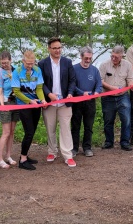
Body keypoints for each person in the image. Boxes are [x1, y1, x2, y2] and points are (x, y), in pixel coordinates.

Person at [38, 37, 77, 167]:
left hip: (65, 102)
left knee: (66, 128)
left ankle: (67, 155)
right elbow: (40, 83)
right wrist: (49, 94)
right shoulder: (42, 64)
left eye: (59, 47)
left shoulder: (67, 62)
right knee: (50, 128)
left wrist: (70, 93)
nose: (57, 50)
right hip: (49, 102)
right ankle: (52, 151)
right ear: (49, 49)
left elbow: (72, 80)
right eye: (54, 48)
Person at [11, 50, 47, 170]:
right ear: (23, 61)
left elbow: (39, 88)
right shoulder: (17, 71)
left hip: (35, 104)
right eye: (28, 64)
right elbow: (16, 92)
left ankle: (25, 155)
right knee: (29, 132)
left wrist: (42, 100)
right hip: (24, 105)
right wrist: (29, 101)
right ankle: (22, 159)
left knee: (32, 131)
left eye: (32, 63)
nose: (30, 66)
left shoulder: (37, 70)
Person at [99, 46, 133, 151]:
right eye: (112, 56)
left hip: (123, 96)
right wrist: (112, 88)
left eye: (116, 57)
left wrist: (131, 85)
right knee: (108, 120)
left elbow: (130, 79)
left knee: (126, 119)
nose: (113, 59)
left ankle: (125, 142)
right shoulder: (104, 65)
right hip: (107, 96)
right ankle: (108, 142)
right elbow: (100, 81)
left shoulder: (127, 65)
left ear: (121, 56)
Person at [71, 46, 102, 157]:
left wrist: (97, 92)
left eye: (90, 58)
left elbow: (99, 84)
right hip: (77, 101)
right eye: (86, 58)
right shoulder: (74, 69)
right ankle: (74, 148)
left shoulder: (94, 70)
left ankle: (87, 147)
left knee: (88, 125)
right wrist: (81, 93)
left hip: (90, 102)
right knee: (75, 125)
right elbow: (72, 85)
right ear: (81, 57)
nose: (88, 61)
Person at [0, 51, 19, 169]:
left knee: (12, 131)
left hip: (16, 102)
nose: (4, 65)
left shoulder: (16, 71)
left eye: (6, 62)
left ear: (10, 60)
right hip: (5, 102)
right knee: (5, 132)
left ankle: (8, 155)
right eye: (2, 63)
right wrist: (2, 104)